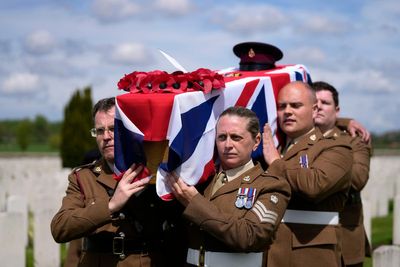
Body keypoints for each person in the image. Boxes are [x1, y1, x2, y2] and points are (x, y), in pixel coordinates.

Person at [51, 97, 186, 267]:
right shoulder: (84, 177)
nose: (106, 137)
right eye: (99, 131)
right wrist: (111, 205)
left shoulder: (154, 172)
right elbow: (60, 228)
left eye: (113, 129)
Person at [165, 106, 291, 267]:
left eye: (236, 137)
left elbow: (250, 237)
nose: (228, 144)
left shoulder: (271, 185)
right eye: (222, 137)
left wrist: (195, 203)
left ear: (256, 141)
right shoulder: (200, 181)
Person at [262, 81, 353, 267]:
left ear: (314, 110)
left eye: (295, 105)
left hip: (308, 252)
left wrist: (276, 162)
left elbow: (314, 186)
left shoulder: (336, 146)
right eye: (282, 106)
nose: (287, 111)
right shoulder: (274, 145)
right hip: (267, 250)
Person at [312, 81, 372, 267]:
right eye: (314, 103)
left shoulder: (354, 139)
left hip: (344, 235)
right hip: (306, 235)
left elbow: (358, 179)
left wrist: (324, 168)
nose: (319, 106)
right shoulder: (296, 138)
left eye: (325, 102)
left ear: (336, 110)